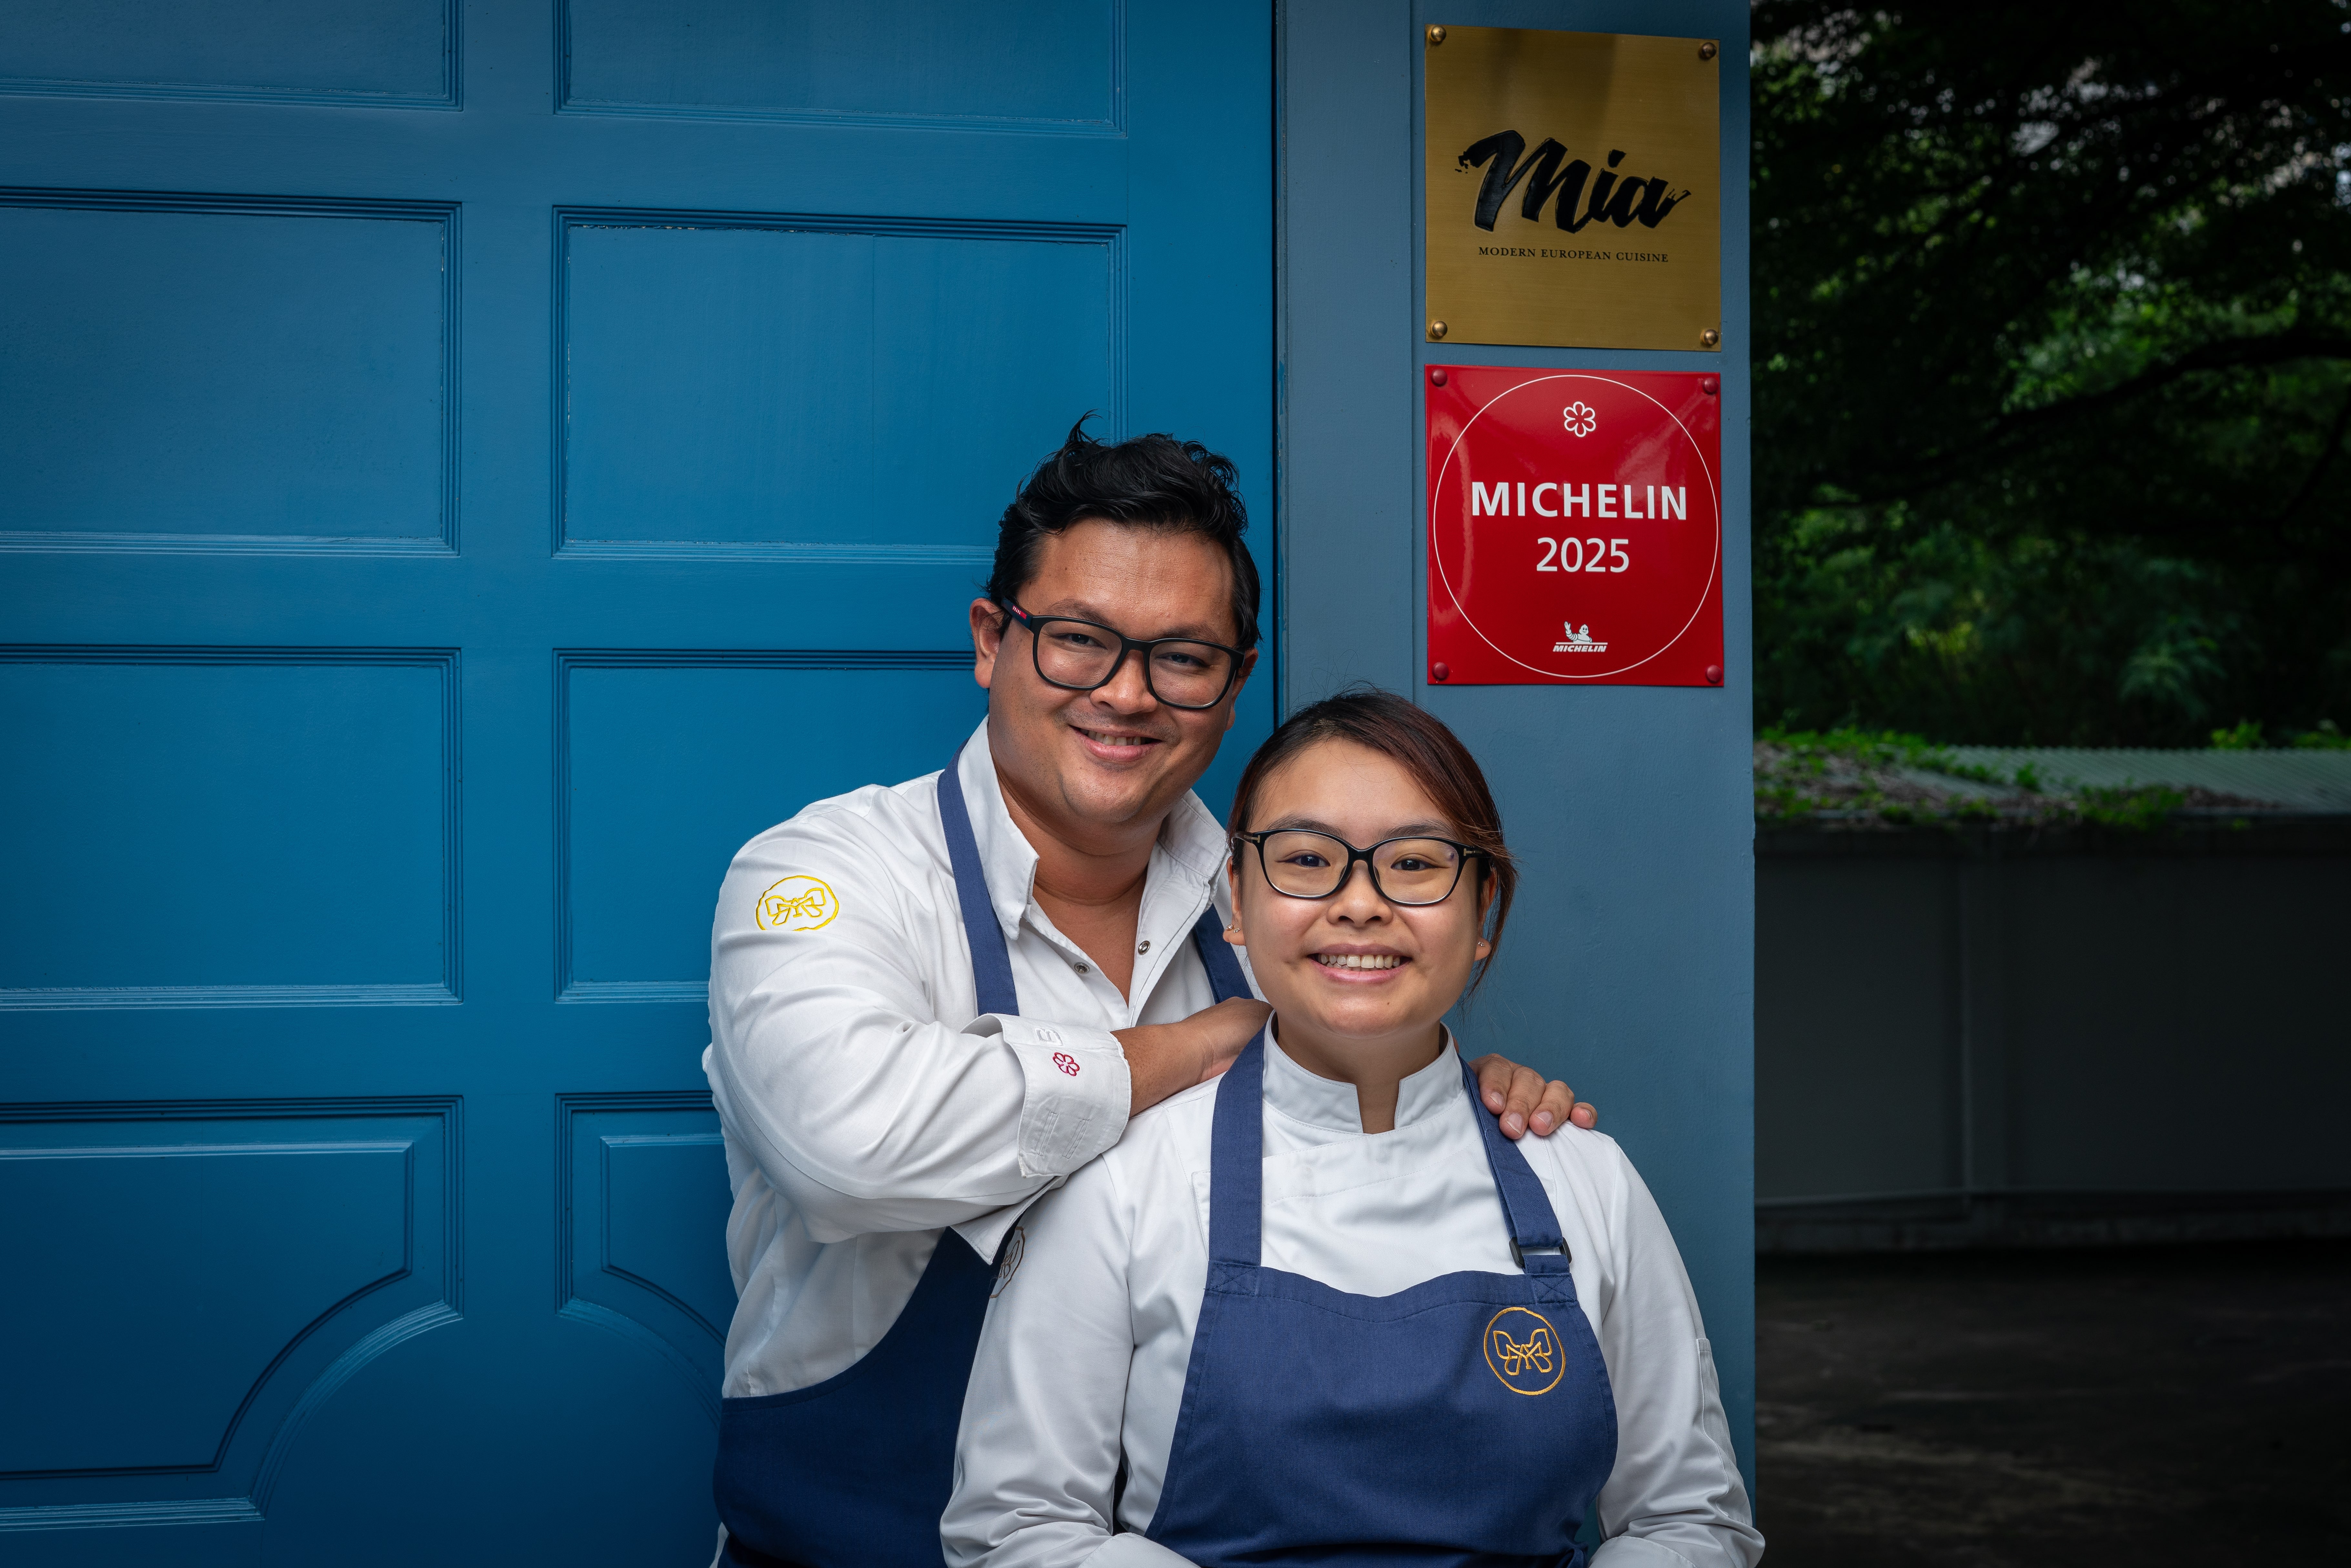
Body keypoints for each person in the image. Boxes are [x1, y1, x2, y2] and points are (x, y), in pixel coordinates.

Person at [703, 427, 1594, 1568]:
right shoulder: (829, 873)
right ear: (992, 640)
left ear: (1233, 683)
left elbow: (1378, 1168)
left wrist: (1466, 1100)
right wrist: (1188, 1049)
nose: (1127, 693)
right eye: (1079, 640)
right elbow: (849, 1147)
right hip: (849, 1542)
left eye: (1181, 656)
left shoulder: (1283, 900)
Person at [943, 691, 1763, 1568]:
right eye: (1307, 858)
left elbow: (1692, 1520)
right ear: (1236, 896)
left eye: (1414, 863)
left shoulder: (1586, 1180)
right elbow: (1018, 1527)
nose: (1362, 902)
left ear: (1483, 911)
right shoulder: (1125, 1182)